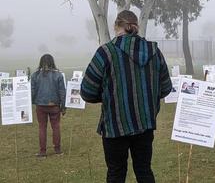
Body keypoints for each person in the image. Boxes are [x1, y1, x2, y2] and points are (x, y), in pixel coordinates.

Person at [81, 10, 172, 183]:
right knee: (144, 170)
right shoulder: (154, 52)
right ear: (136, 27)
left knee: (116, 173)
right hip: (145, 124)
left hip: (115, 126)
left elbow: (87, 91)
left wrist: (109, 95)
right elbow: (166, 88)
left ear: (116, 26)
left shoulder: (105, 53)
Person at [31, 54, 66, 157]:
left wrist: (34, 102)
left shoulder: (34, 75)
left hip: (40, 105)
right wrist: (63, 107)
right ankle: (57, 150)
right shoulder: (58, 75)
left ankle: (42, 152)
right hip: (54, 105)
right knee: (56, 127)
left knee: (42, 127)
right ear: (52, 62)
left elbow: (32, 91)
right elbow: (62, 92)